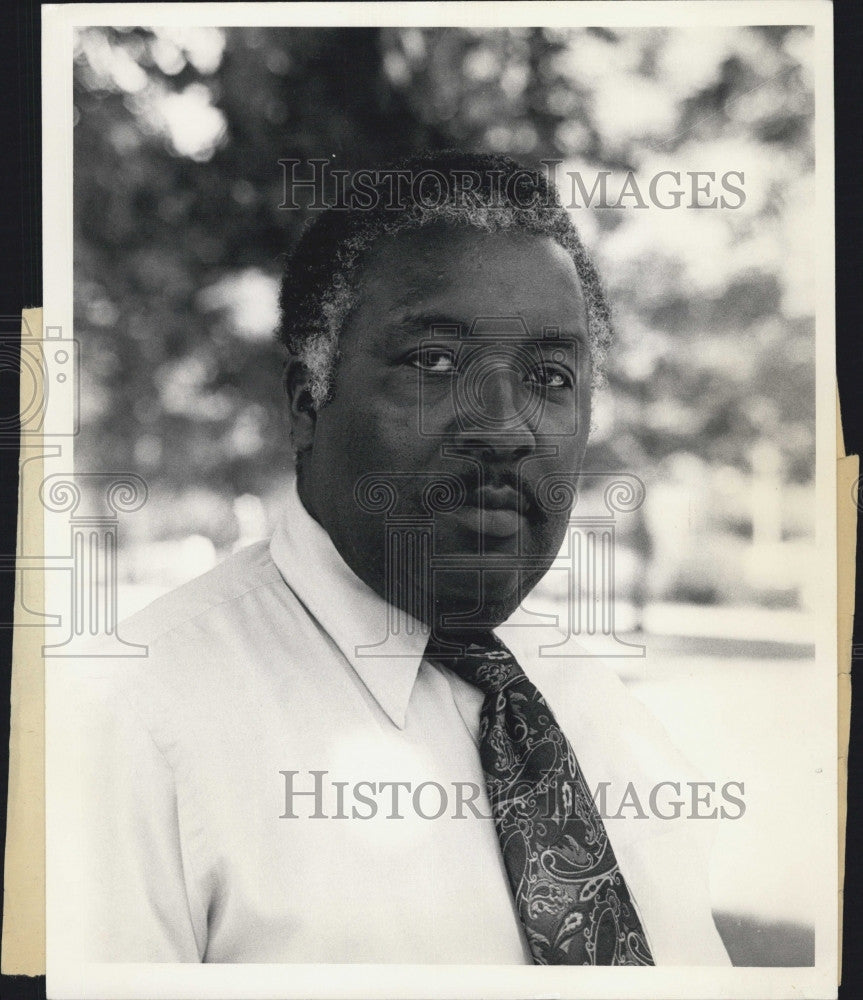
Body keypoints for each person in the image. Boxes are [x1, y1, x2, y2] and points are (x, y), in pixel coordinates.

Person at [53, 152, 730, 966]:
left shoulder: (586, 699)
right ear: (307, 401)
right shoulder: (128, 727)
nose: (505, 428)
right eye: (435, 364)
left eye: (550, 376)